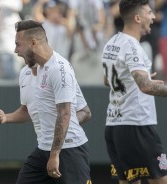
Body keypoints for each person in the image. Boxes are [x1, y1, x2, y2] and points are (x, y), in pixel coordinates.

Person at [9, 19, 91, 184]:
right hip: (44, 149)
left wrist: (55, 155)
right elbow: (84, 111)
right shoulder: (35, 70)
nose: (16, 50)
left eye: (18, 44)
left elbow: (66, 112)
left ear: (33, 43)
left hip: (69, 151)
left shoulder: (59, 69)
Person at [102, 0, 167, 183]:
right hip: (136, 126)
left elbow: (107, 80)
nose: (153, 17)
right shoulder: (133, 47)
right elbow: (145, 87)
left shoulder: (111, 43)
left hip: (114, 127)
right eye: (149, 12)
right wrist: (144, 80)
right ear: (138, 18)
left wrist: (141, 77)